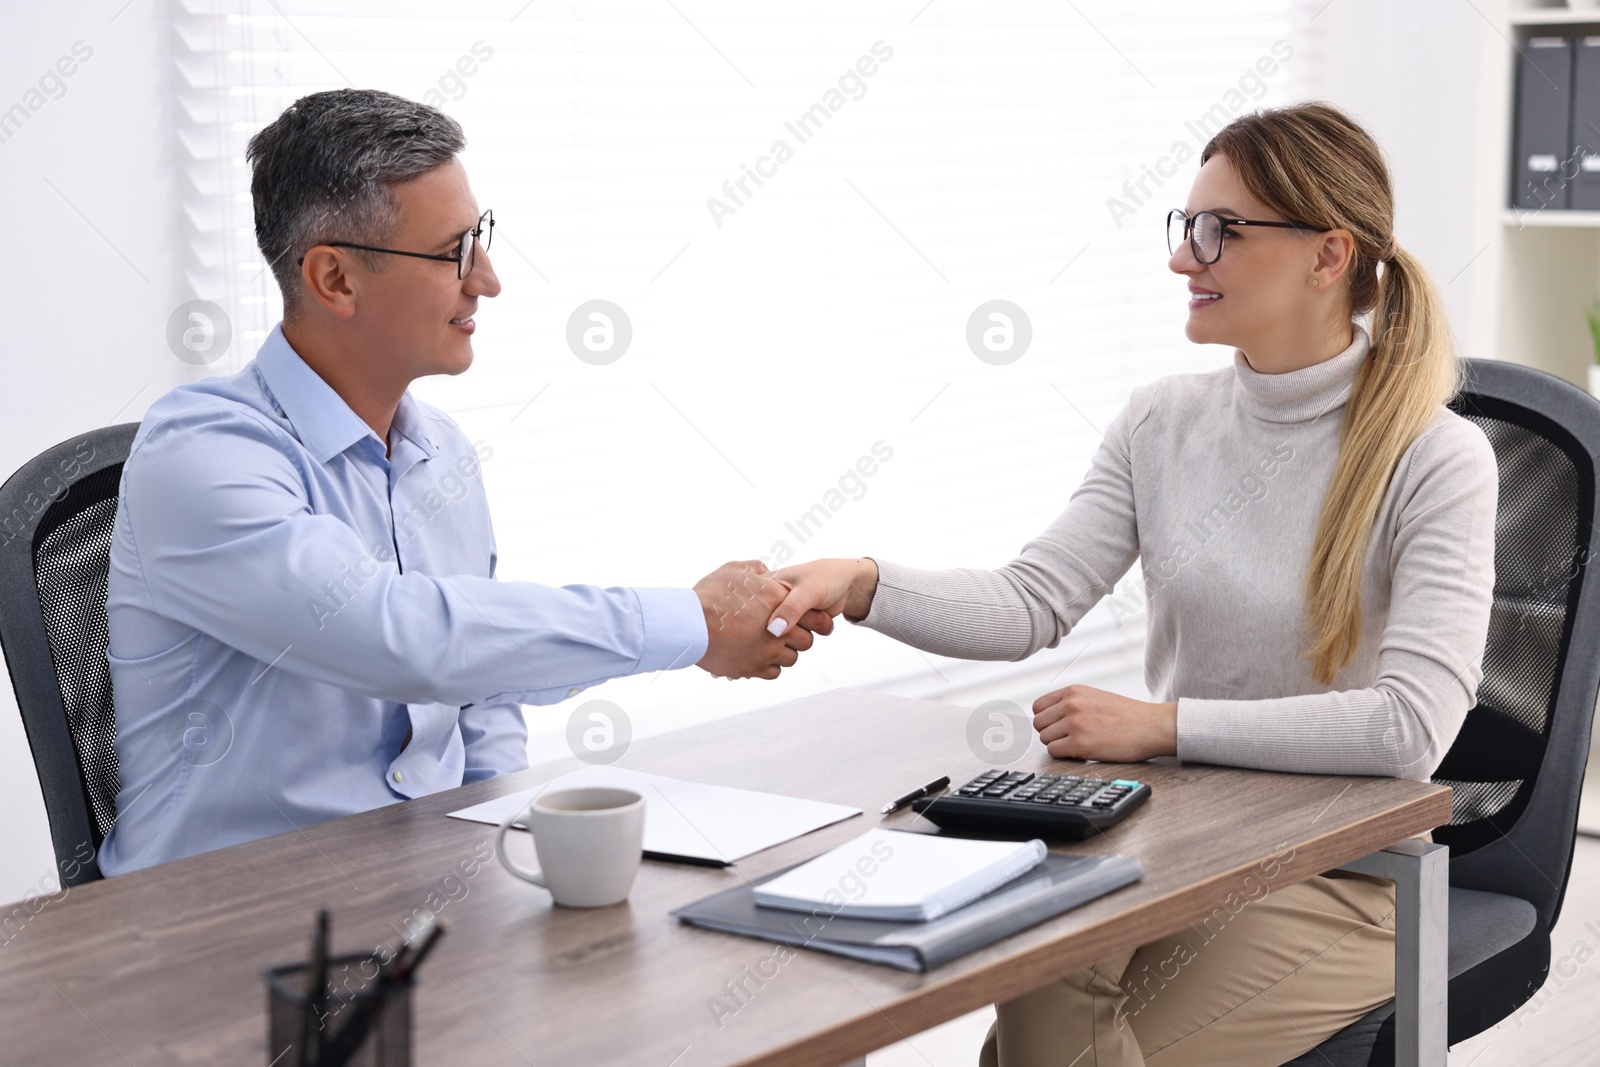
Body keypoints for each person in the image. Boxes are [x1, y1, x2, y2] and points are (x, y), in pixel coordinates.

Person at [763, 102, 1497, 1066]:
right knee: (1036, 981)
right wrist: (864, 582)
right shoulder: (1161, 421)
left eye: (1218, 232)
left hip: (1345, 874)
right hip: (1184, 843)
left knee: (1050, 1048)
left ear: (1328, 255)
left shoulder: (1437, 457)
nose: (1182, 259)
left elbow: (1412, 727)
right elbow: (1034, 601)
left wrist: (1164, 725)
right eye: (1184, 228)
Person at [99, 89, 829, 877]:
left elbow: (479, 693)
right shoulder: (201, 453)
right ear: (335, 278)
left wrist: (497, 862)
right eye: (453, 251)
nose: (487, 279)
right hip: (213, 941)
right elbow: (404, 638)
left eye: (479, 237)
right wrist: (690, 621)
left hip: (417, 904)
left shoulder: (438, 453)